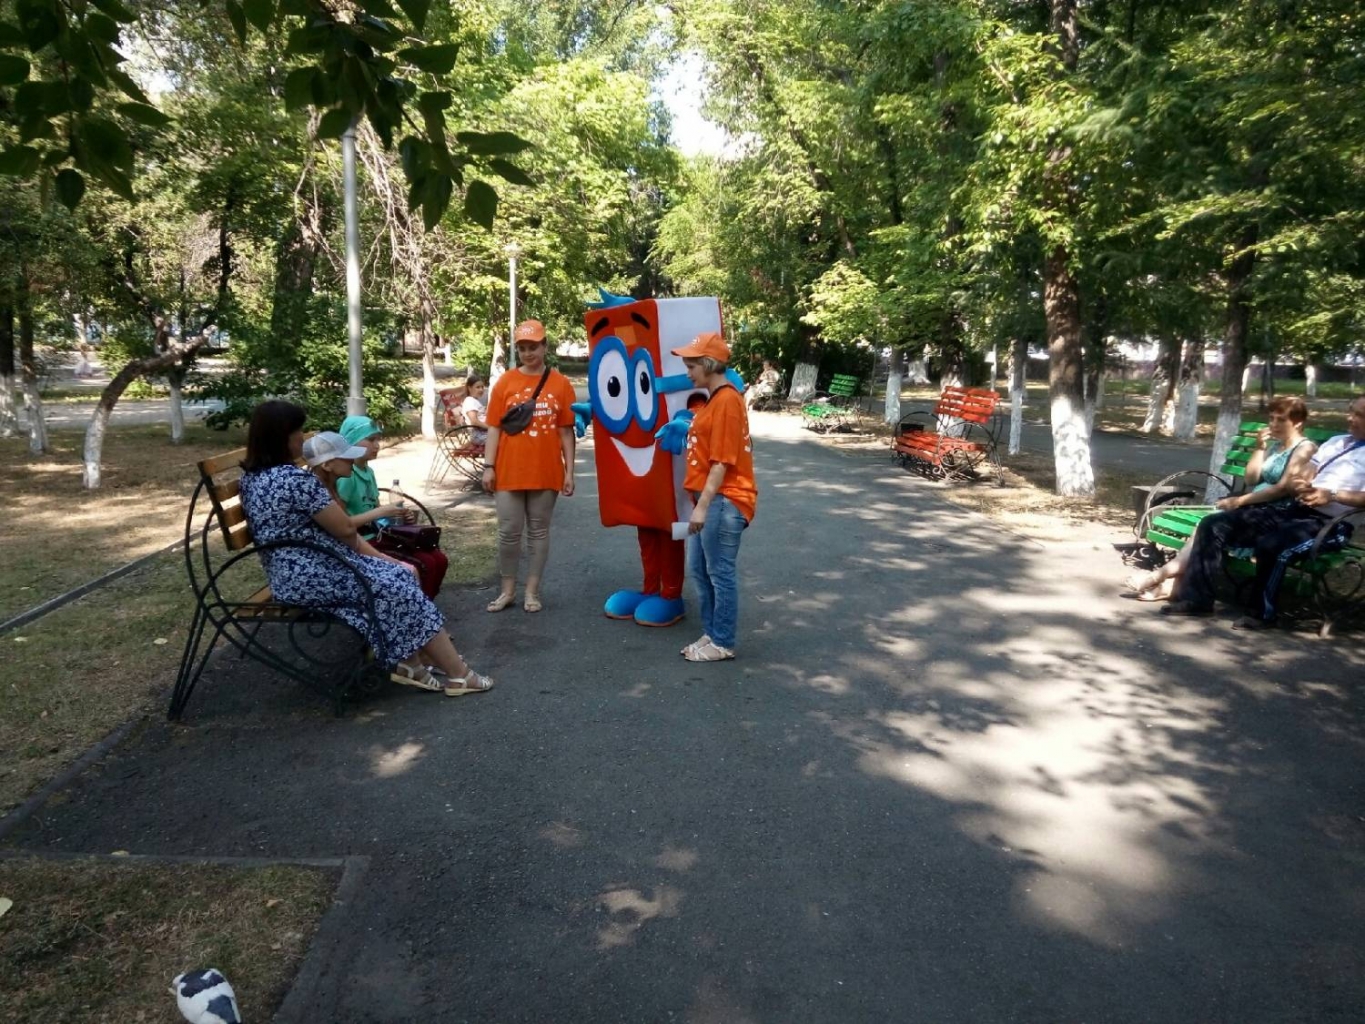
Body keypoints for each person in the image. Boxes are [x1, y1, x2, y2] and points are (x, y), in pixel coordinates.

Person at [238, 401, 492, 696]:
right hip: (311, 576)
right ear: (282, 436)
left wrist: (381, 559)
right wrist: (382, 558)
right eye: (298, 432)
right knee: (396, 583)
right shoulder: (294, 479)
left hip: (293, 574)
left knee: (398, 577)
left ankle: (414, 663)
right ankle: (457, 674)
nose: (301, 438)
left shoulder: (252, 478)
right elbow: (346, 529)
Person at [1164, 394, 1365, 630]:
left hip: (1332, 524)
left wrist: (1331, 495)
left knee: (1272, 545)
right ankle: (1197, 600)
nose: (1350, 418)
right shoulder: (1336, 442)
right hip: (1295, 510)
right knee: (1214, 525)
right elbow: (1305, 473)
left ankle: (1262, 614)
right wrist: (1300, 484)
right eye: (1351, 412)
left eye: (1359, 415)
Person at [1126, 396, 1318, 601]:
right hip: (1255, 505)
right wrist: (1259, 448)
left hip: (1273, 512)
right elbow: (1251, 478)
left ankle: (1159, 576)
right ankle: (1170, 585)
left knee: (1208, 525)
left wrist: (1239, 501)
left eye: (1281, 420)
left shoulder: (1304, 448)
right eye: (1271, 418)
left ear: (1298, 423)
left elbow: (1281, 490)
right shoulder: (1276, 446)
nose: (1273, 424)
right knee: (1204, 525)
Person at [480, 319, 578, 613]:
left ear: (545, 346)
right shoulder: (505, 382)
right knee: (509, 532)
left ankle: (532, 592)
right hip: (508, 469)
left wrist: (570, 471)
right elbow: (494, 427)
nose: (527, 353)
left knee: (538, 531)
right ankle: (507, 591)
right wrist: (488, 466)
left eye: (533, 346)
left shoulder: (561, 384)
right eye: (522, 348)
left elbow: (566, 431)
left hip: (546, 470)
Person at [673, 331, 758, 662]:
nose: (688, 373)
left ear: (708, 364)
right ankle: (711, 633)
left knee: (719, 573)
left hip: (723, 501)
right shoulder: (715, 400)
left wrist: (702, 507)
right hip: (711, 501)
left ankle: (722, 641)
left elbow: (722, 461)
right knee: (699, 569)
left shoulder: (726, 401)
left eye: (691, 365)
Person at [327, 417, 449, 598]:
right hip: (361, 542)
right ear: (351, 441)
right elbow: (342, 524)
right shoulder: (347, 477)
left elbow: (374, 511)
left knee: (438, 559)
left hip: (377, 534)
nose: (377, 445)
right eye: (371, 440)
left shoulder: (368, 471)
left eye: (378, 439)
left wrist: (397, 515)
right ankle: (416, 608)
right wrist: (382, 511)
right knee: (424, 563)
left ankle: (423, 605)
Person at [460, 374, 489, 444]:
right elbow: (474, 421)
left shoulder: (474, 401)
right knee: (504, 439)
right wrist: (490, 428)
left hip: (483, 432)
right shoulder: (470, 401)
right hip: (479, 434)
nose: (481, 390)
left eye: (482, 387)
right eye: (478, 387)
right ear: (469, 388)